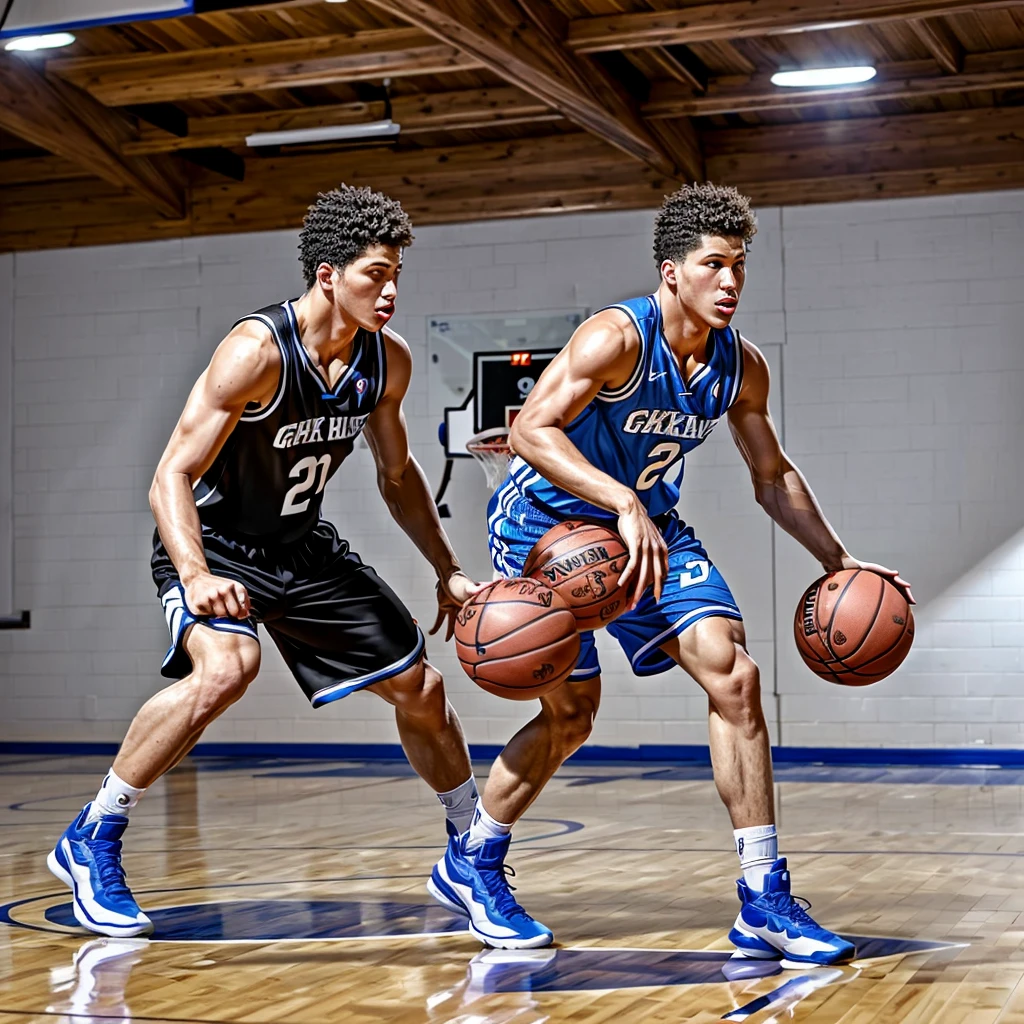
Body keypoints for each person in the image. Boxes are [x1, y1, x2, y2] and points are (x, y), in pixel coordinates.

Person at [428, 183, 914, 959]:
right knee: (572, 715)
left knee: (736, 677)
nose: (730, 281)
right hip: (548, 529)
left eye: (740, 266)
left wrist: (837, 558)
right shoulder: (616, 337)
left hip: (649, 527)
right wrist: (620, 499)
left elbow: (771, 473)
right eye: (713, 264)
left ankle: (763, 898)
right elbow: (528, 430)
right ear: (671, 273)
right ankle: (472, 861)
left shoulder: (740, 365)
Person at [48, 185, 481, 938]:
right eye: (375, 275)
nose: (390, 291)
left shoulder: (388, 362)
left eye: (396, 274)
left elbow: (398, 476)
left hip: (300, 548)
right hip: (215, 545)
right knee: (225, 670)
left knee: (423, 689)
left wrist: (446, 566)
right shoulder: (256, 352)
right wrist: (195, 576)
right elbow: (170, 477)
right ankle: (94, 833)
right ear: (327, 276)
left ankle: (469, 849)